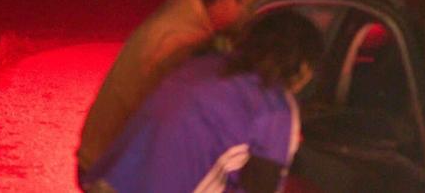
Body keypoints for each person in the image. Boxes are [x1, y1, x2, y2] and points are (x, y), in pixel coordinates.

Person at [83, 10, 324, 193]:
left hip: (108, 181)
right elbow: (262, 187)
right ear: (303, 66)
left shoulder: (205, 64)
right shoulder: (275, 107)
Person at [77, 0, 264, 186]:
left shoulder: (182, 14)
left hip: (104, 159)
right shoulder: (182, 40)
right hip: (112, 170)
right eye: (248, 6)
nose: (250, 16)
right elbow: (182, 121)